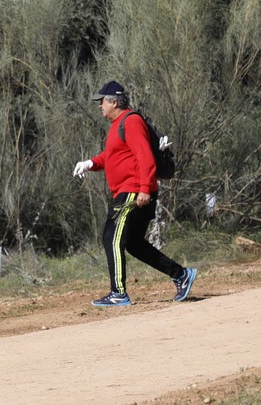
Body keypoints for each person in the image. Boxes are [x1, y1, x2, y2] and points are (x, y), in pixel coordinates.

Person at [73, 80, 196, 307]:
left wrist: (144, 189)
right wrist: (90, 163)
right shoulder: (118, 126)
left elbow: (144, 157)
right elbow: (112, 157)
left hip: (132, 191)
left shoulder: (131, 122)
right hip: (130, 191)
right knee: (133, 244)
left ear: (114, 102)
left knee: (111, 237)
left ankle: (118, 292)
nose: (100, 106)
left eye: (102, 102)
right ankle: (181, 274)